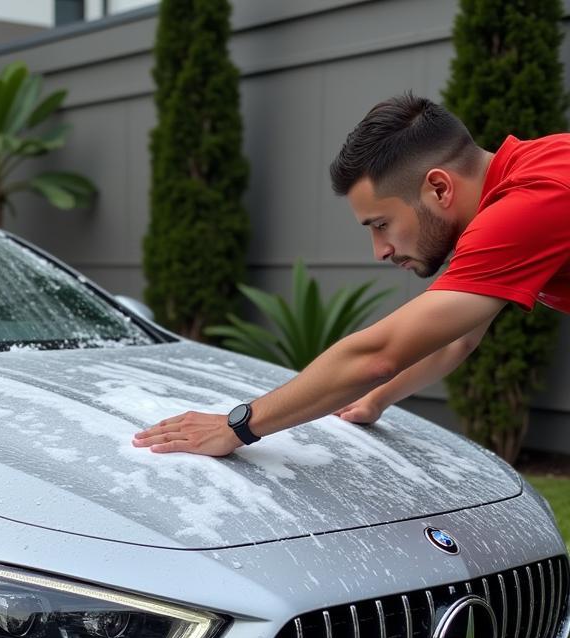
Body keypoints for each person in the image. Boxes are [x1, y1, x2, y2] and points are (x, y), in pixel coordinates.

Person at [132, 92, 570, 456]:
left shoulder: (529, 204)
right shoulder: (531, 176)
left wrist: (236, 426)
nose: (380, 251)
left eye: (381, 224)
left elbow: (378, 355)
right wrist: (374, 399)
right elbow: (459, 335)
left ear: (439, 188)